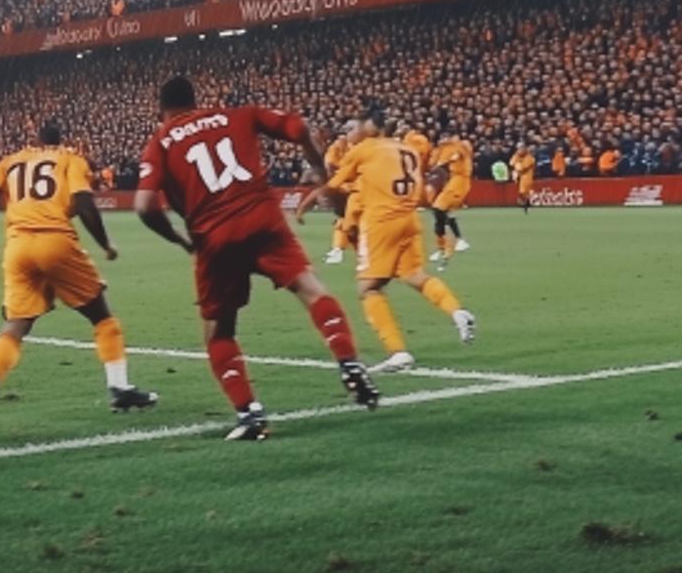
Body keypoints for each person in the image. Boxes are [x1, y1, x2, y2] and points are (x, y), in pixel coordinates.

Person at [137, 77, 378, 442]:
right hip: (263, 218)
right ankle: (348, 361)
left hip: (214, 236)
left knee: (219, 330)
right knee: (311, 289)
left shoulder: (161, 141)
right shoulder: (238, 114)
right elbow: (298, 127)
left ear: (161, 111)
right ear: (197, 101)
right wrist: (321, 176)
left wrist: (180, 239)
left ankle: (250, 414)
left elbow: (144, 205)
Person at [0, 122, 156, 444]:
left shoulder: (13, 159)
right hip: (55, 242)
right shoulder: (70, 158)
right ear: (61, 141)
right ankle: (119, 388)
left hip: (17, 247)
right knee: (101, 316)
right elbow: (85, 203)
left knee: (15, 327)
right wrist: (106, 244)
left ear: (36, 141)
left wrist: (15, 204)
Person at [298, 111, 476, 373]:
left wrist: (307, 201)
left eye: (355, 125)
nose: (351, 131)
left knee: (368, 288)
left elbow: (334, 184)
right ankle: (458, 312)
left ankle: (398, 351)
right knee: (415, 275)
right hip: (410, 219)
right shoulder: (407, 149)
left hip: (381, 222)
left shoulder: (366, 149)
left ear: (373, 126)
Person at [428, 133, 474, 265]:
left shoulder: (459, 147)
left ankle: (447, 245)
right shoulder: (447, 149)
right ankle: (454, 243)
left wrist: (438, 165)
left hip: (460, 182)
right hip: (454, 181)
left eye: (445, 137)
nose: (442, 140)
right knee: (443, 212)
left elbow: (441, 163)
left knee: (438, 209)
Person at [322, 122, 361, 266]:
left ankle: (340, 251)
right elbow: (329, 164)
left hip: (357, 189)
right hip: (349, 187)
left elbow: (332, 165)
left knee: (349, 222)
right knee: (344, 220)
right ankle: (338, 250)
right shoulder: (339, 146)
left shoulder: (357, 148)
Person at [510, 143, 536, 215]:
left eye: (521, 148)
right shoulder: (516, 156)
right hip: (519, 177)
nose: (520, 150)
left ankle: (527, 206)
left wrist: (516, 166)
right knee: (521, 193)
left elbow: (522, 168)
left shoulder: (529, 158)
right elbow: (512, 163)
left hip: (527, 177)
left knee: (524, 192)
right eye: (518, 149)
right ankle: (525, 206)